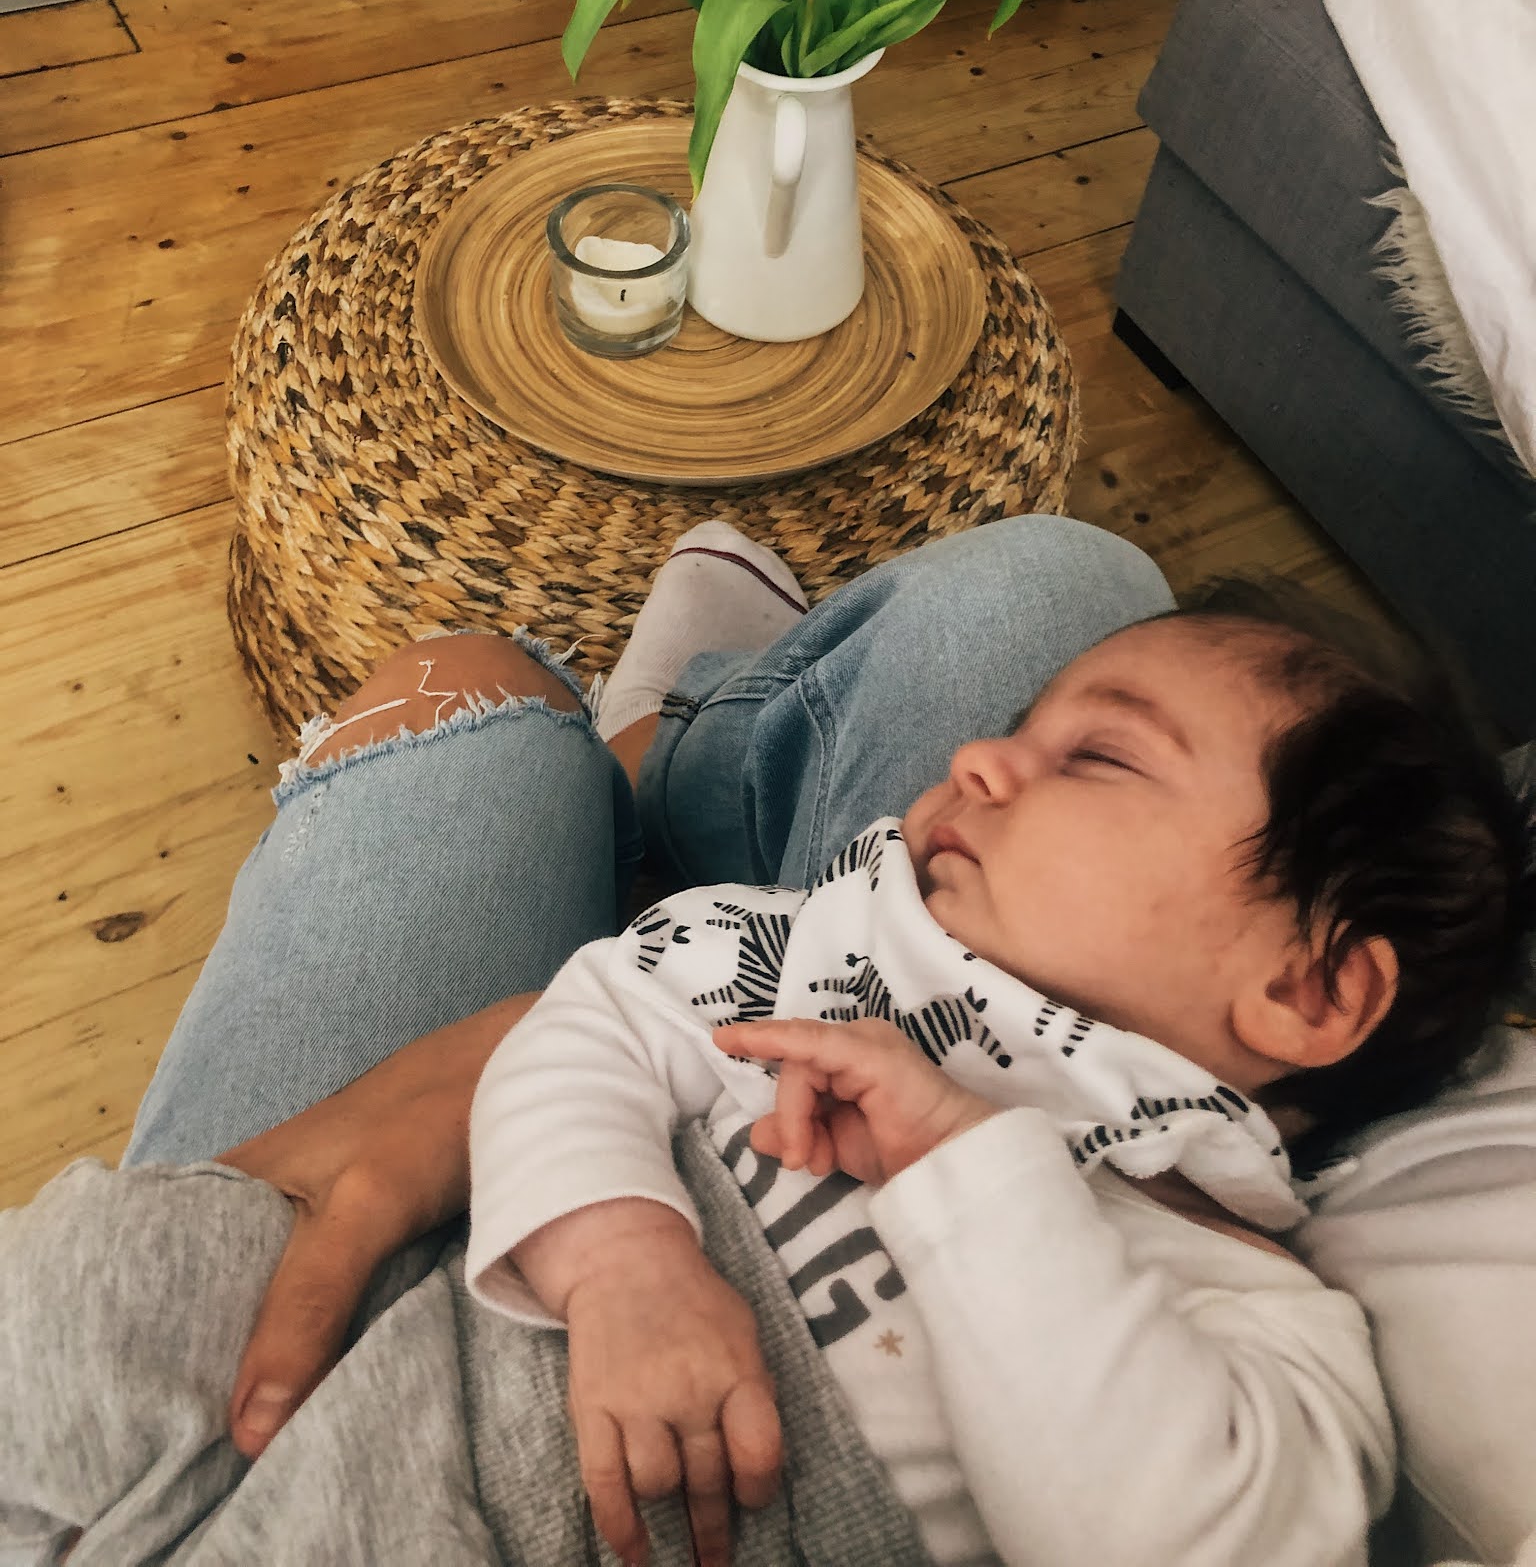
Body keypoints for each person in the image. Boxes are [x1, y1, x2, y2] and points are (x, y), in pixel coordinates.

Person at [0, 517, 1528, 1567]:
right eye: (1019, 727)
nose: (978, 757)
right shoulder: (828, 957)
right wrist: (621, 1256)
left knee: (474, 699)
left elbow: (1167, 1537)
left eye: (1100, 756)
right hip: (391, 1362)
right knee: (93, 1309)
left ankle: (658, 731)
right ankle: (677, 748)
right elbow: (597, 1016)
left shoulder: (1267, 1332)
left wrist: (973, 1161)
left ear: (1310, 993)